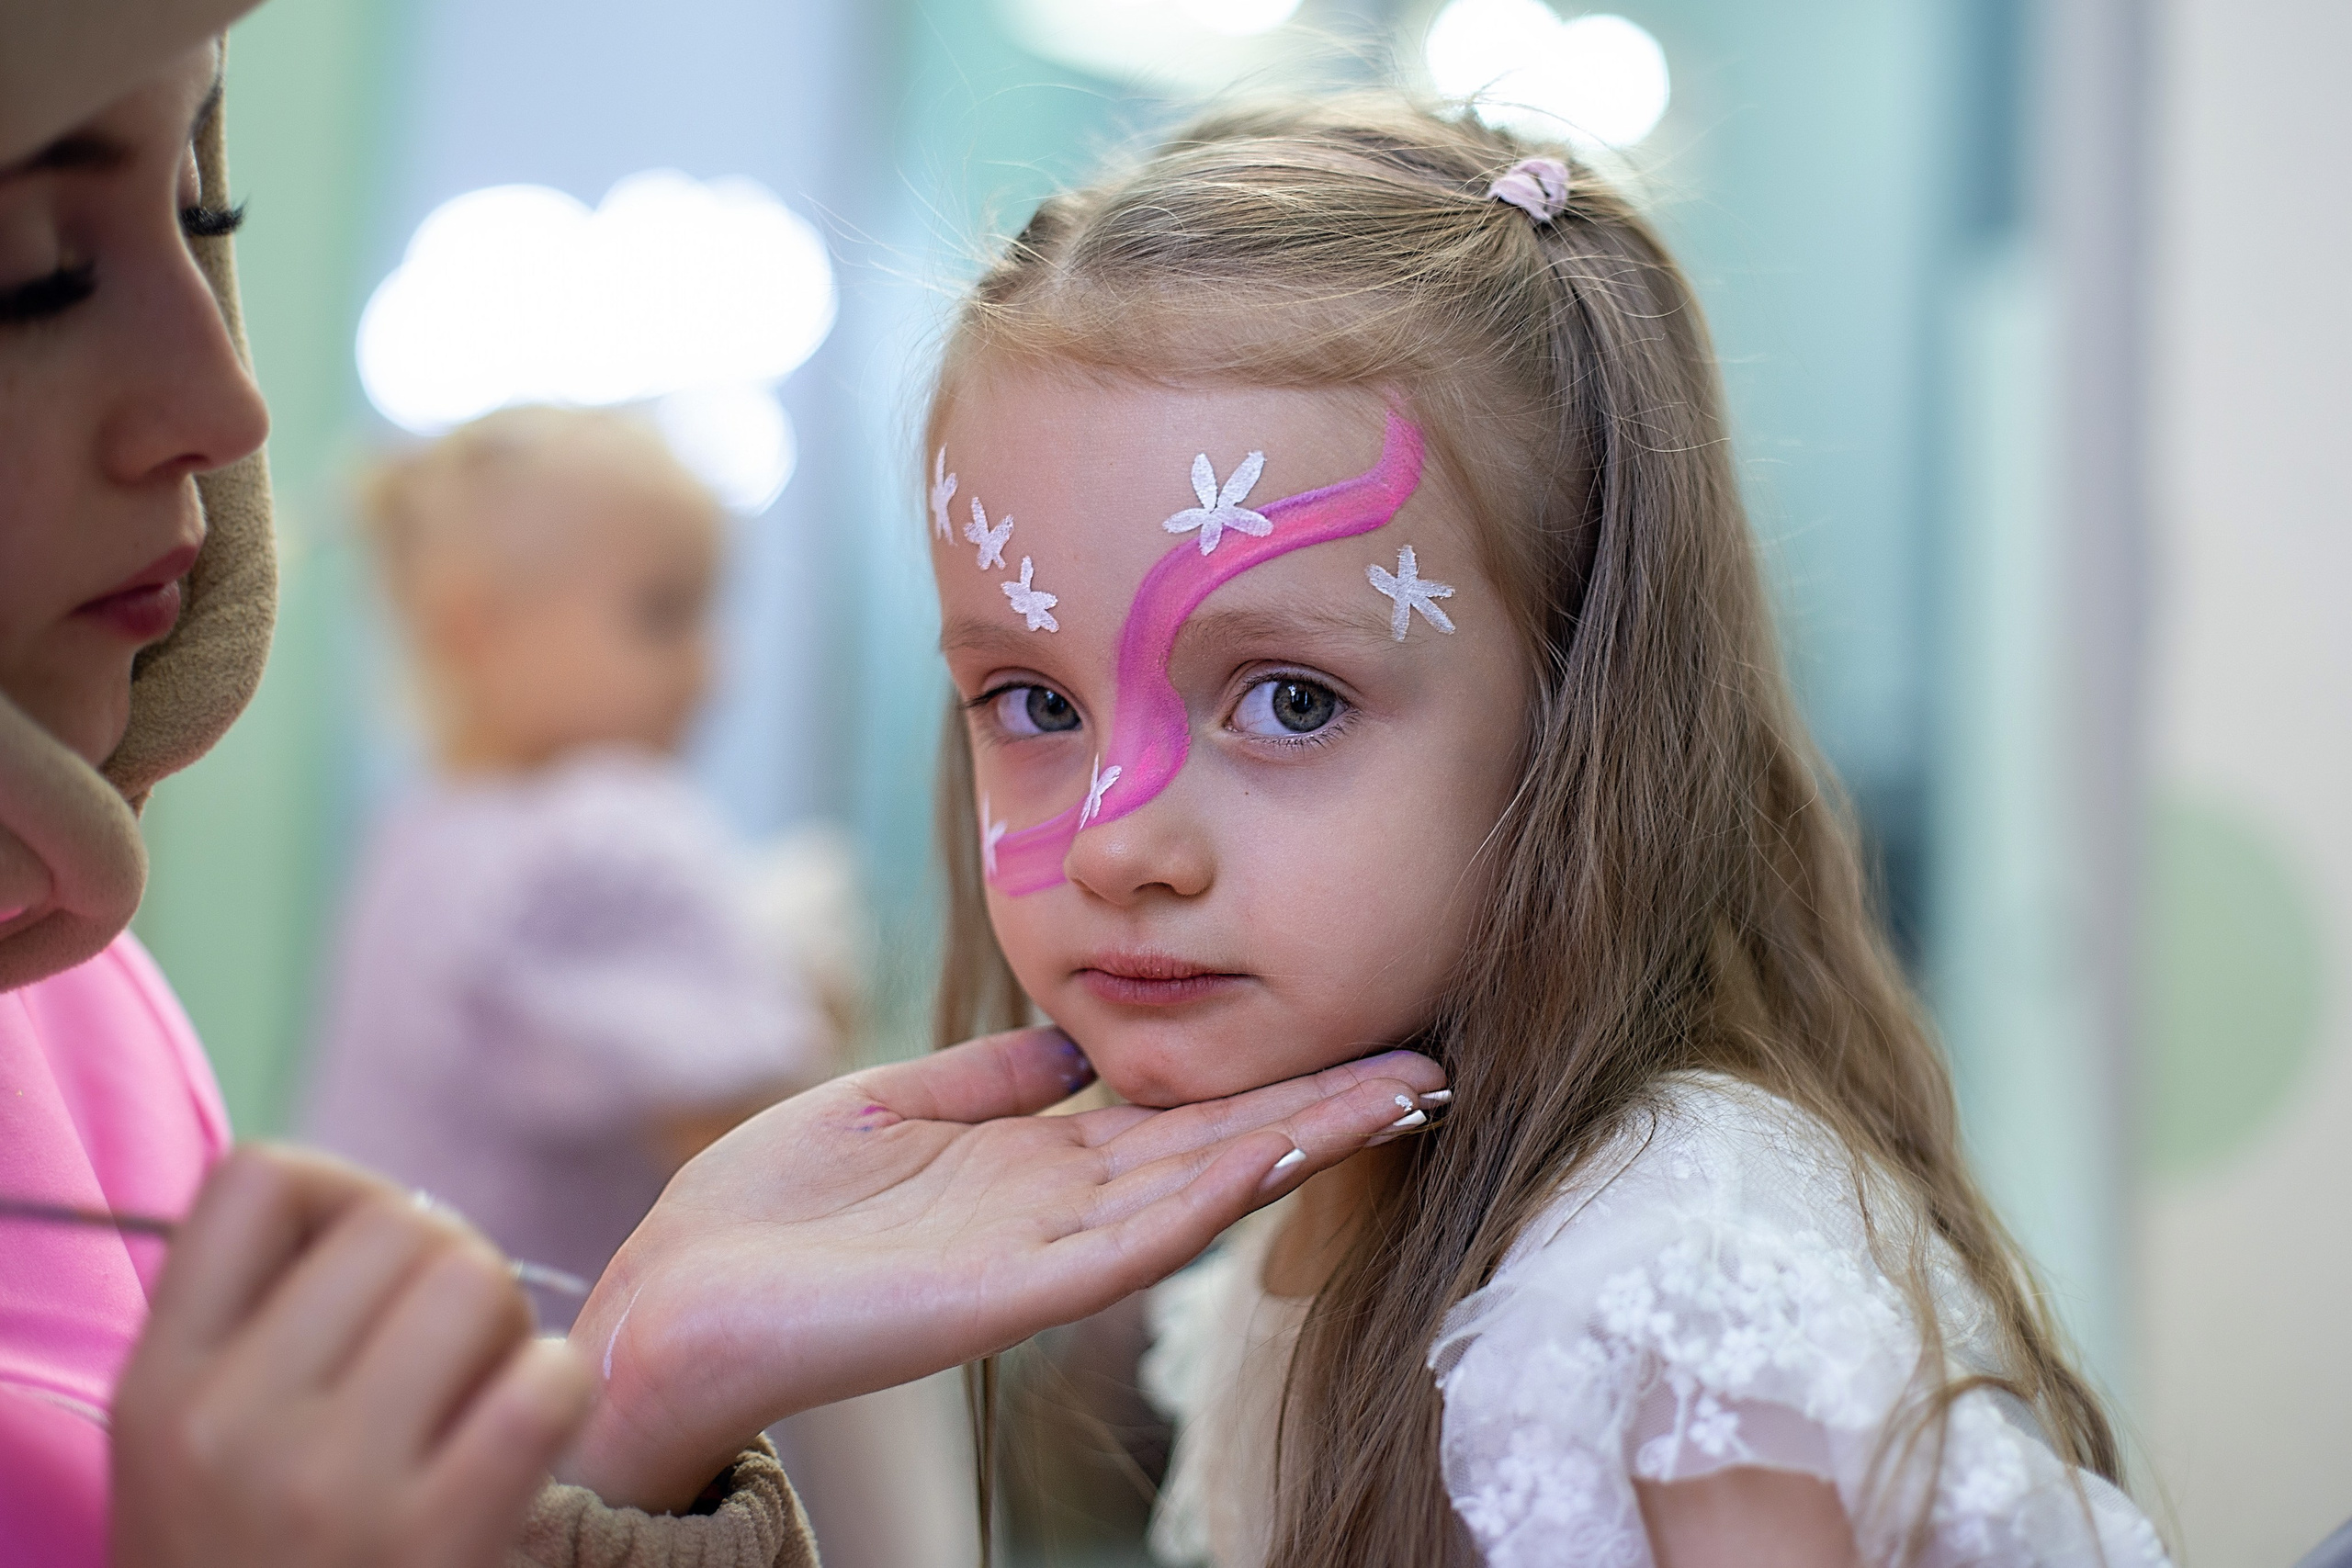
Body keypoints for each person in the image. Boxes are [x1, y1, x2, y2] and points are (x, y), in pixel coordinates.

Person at [0, 26, 1448, 1568]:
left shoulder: (154, 968)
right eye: (32, 269)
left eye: (204, 218)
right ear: (482, 627)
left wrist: (638, 1396)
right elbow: (741, 1103)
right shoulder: (606, 837)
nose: (230, 404)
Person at [917, 97, 2172, 1565]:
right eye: (1031, 701)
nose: (1110, 847)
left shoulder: (1666, 1281)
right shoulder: (1310, 1236)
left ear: (1580, 714)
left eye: (1295, 700)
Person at [304, 406, 823, 1330]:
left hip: (353, 1356)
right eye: (663, 612)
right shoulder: (608, 832)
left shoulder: (414, 836)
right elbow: (768, 1154)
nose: (713, 670)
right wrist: (822, 1017)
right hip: (534, 1407)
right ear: (475, 626)